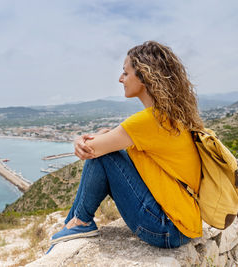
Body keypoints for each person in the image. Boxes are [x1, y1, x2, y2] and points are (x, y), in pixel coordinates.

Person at [48, 41, 204, 252]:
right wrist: (100, 137)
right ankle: (75, 223)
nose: (120, 79)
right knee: (108, 153)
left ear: (144, 76)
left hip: (166, 229)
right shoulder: (169, 116)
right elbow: (111, 142)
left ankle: (80, 222)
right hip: (183, 225)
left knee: (104, 157)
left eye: (125, 73)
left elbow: (95, 150)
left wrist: (82, 140)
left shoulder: (150, 120)